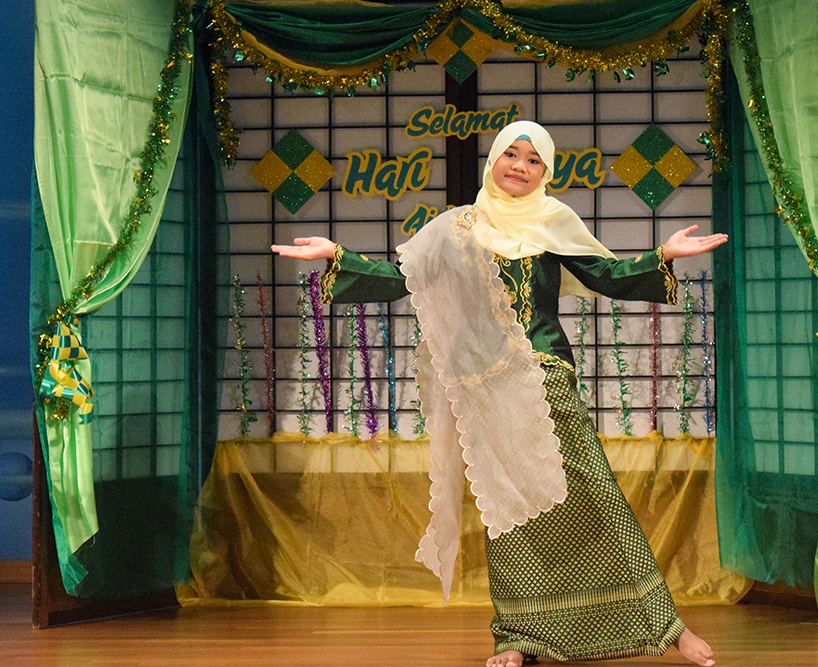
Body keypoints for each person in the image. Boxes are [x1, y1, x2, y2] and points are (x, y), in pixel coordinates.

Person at [273, 121, 726, 667]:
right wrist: (337, 256)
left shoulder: (553, 222)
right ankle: (517, 636)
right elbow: (402, 276)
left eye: (534, 160)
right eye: (512, 154)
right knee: (510, 512)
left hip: (546, 379)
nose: (520, 166)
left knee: (599, 500)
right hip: (489, 389)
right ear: (493, 161)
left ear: (545, 171)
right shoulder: (459, 227)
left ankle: (668, 628)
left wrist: (663, 256)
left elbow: (608, 274)